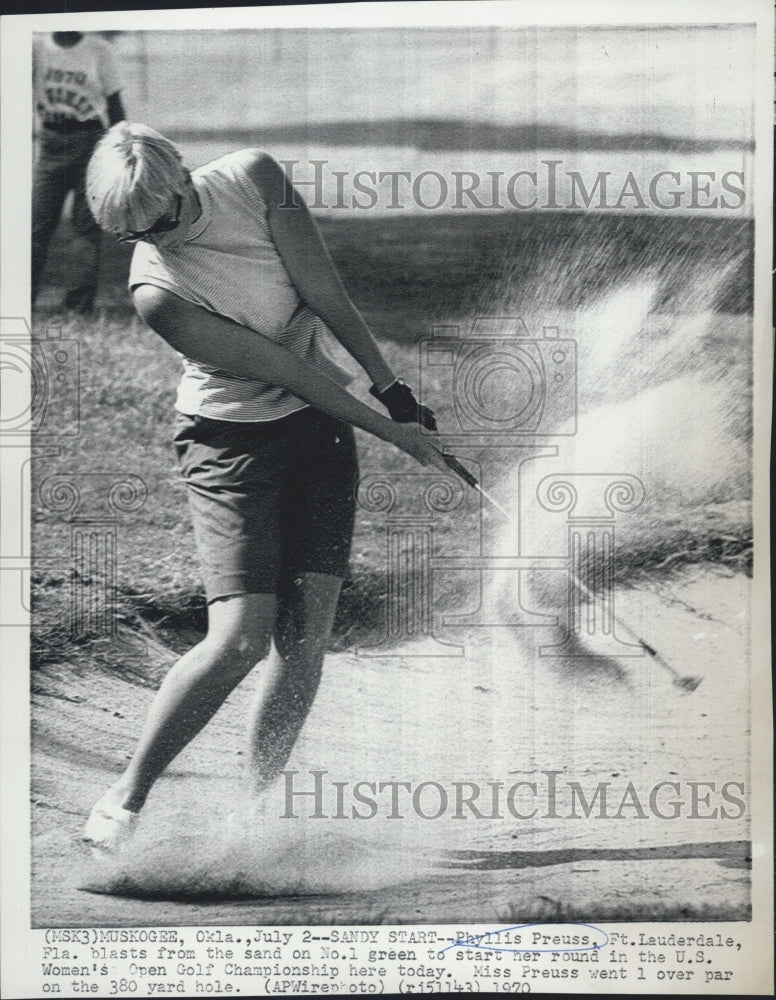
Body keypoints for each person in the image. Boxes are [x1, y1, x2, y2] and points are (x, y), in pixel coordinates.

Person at [81, 122, 450, 852]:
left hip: (318, 436)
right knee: (241, 637)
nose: (157, 236)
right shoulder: (156, 290)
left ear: (183, 177)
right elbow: (289, 373)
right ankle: (124, 799)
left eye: (162, 218)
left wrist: (394, 388)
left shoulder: (255, 178)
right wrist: (394, 435)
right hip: (231, 444)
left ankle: (250, 816)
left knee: (305, 634)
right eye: (134, 232)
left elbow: (325, 294)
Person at [32, 31, 126, 313]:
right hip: (50, 141)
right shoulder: (35, 47)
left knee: (85, 227)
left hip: (89, 140)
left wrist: (117, 150)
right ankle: (19, 299)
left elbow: (115, 107)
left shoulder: (99, 50)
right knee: (36, 226)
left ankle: (78, 306)